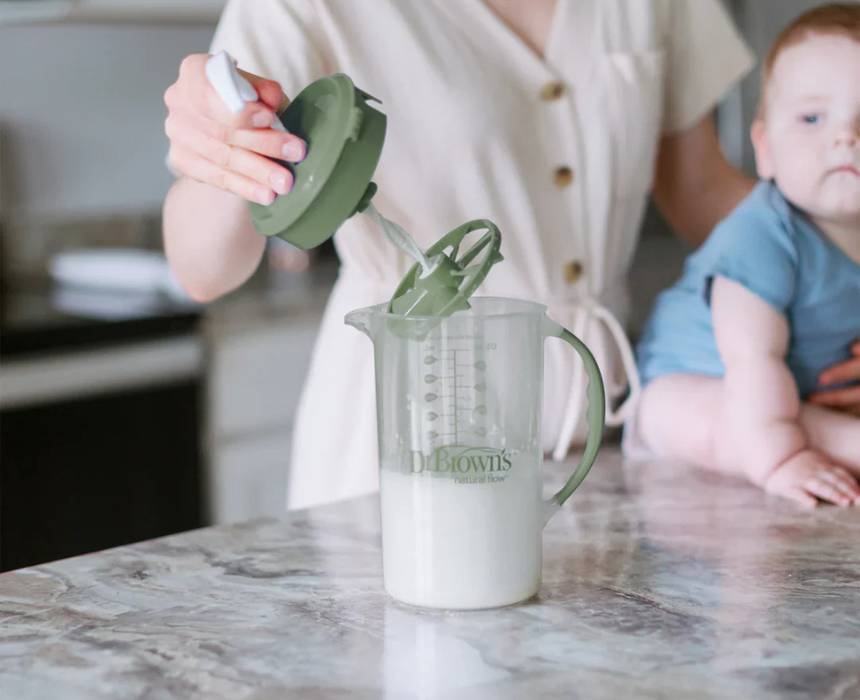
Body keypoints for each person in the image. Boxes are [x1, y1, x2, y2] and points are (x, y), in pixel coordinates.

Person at [161, 0, 850, 511]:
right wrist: (225, 149)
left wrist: (844, 308)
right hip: (405, 434)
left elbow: (704, 194)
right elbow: (202, 270)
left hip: (604, 440)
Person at [626, 4, 860, 507]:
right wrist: (782, 458)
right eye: (812, 118)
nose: (846, 137)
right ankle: (828, 443)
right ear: (765, 148)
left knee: (787, 408)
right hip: (700, 384)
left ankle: (823, 434)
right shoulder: (761, 236)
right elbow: (752, 359)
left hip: (794, 393)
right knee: (715, 418)